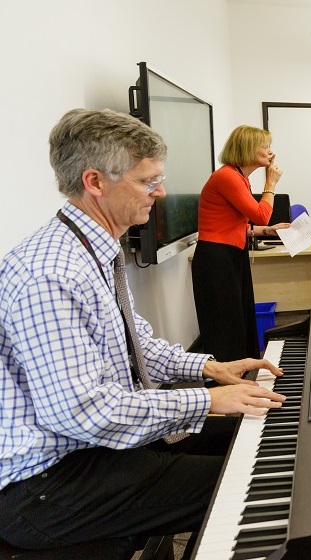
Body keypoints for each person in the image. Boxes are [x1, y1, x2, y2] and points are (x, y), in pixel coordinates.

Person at [0, 109, 285, 553]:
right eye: (147, 181)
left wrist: (210, 368)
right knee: (255, 480)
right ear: (95, 182)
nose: (162, 191)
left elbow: (139, 347)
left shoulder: (91, 248)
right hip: (46, 483)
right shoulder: (51, 273)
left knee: (261, 438)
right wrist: (206, 399)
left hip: (87, 446)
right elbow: (83, 412)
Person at [192, 125, 289, 362]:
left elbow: (231, 224)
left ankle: (241, 371)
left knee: (239, 314)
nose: (269, 151)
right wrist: (271, 184)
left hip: (229, 253)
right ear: (248, 148)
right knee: (225, 320)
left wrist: (266, 231)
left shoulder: (239, 178)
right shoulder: (227, 176)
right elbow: (261, 213)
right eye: (265, 146)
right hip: (217, 258)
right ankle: (227, 379)